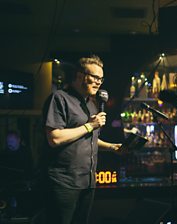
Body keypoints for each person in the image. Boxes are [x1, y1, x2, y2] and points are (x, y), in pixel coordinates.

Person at [42, 55, 121, 224]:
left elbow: (89, 139)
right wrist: (90, 126)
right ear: (80, 76)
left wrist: (112, 147)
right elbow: (54, 138)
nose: (99, 82)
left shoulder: (91, 104)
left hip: (88, 182)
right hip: (64, 182)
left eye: (101, 78)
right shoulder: (60, 98)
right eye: (95, 77)